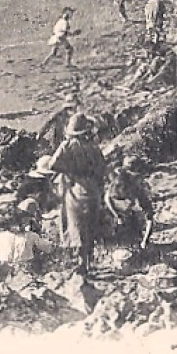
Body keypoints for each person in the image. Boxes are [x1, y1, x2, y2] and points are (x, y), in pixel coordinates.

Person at [49, 113, 107, 274]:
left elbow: (52, 164)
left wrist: (70, 171)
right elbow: (102, 169)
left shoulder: (67, 146)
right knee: (90, 225)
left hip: (75, 188)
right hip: (92, 189)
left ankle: (81, 263)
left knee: (76, 225)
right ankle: (88, 261)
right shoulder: (94, 148)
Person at [107, 156, 156, 251]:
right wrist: (117, 216)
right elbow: (107, 199)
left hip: (126, 214)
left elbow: (149, 217)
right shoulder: (118, 184)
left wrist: (145, 240)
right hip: (110, 213)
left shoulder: (139, 189)